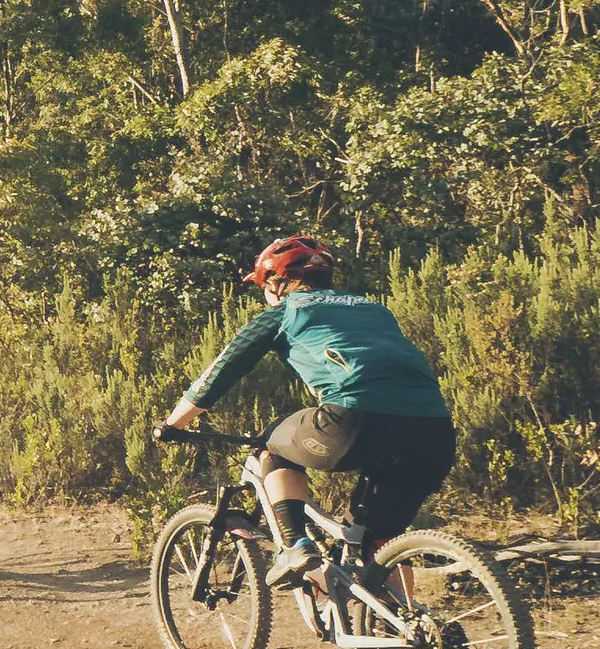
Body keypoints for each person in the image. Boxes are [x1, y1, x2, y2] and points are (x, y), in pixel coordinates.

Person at [158, 235, 455, 590]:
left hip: (353, 422)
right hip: (435, 433)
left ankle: (294, 546)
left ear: (276, 282)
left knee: (271, 444)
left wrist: (172, 425)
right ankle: (413, 633)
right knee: (378, 543)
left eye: (262, 286)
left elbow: (219, 373)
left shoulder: (285, 311)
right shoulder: (373, 309)